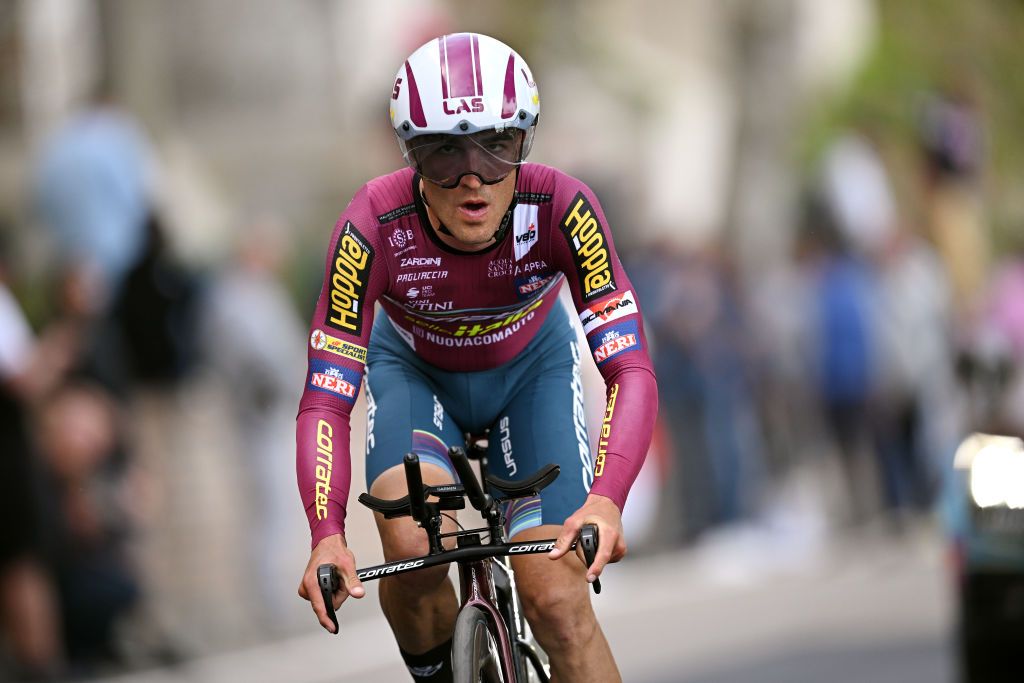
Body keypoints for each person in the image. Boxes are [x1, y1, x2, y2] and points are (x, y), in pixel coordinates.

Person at [295, 33, 657, 682]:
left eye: (499, 146)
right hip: (415, 374)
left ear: (527, 142)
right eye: (443, 153)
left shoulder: (564, 207)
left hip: (531, 376)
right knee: (411, 545)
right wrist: (326, 531)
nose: (473, 176)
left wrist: (607, 497)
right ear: (410, 156)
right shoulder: (372, 224)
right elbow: (326, 394)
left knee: (556, 597)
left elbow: (629, 367)